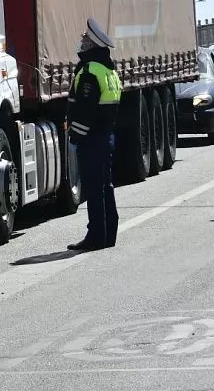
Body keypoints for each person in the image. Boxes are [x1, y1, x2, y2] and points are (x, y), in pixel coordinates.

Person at [66, 17, 122, 251]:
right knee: (105, 186)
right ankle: (108, 234)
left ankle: (96, 236)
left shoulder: (89, 72)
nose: (81, 41)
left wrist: (76, 137)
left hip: (92, 139)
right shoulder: (108, 70)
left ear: (92, 44)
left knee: (94, 188)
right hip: (106, 136)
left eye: (85, 38)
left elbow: (85, 111)